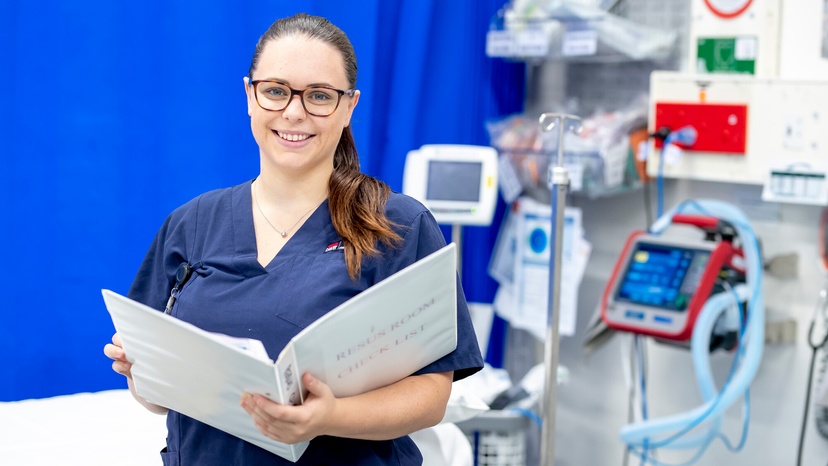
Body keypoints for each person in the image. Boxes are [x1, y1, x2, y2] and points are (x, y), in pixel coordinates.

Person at [103, 12, 484, 465]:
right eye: (276, 91)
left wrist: (330, 417)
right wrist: (140, 373)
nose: (294, 112)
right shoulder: (191, 224)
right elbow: (159, 400)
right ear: (250, 95)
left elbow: (431, 395)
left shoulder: (396, 225)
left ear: (348, 107)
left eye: (319, 95)